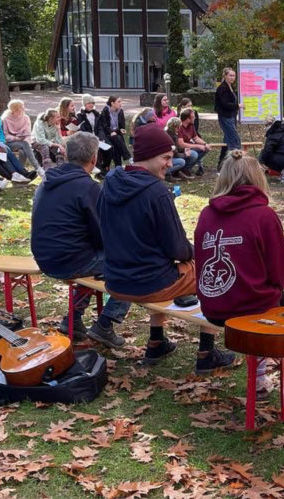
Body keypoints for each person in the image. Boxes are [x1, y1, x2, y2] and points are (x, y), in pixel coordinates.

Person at [97, 126, 237, 373]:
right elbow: (178, 249)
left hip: (116, 279)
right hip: (148, 283)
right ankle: (206, 352)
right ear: (148, 156)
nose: (170, 164)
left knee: (174, 267)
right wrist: (199, 254)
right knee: (213, 272)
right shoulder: (156, 192)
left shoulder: (110, 181)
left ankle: (156, 341)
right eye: (165, 157)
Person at [195, 150, 284, 393]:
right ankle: (260, 376)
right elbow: (281, 274)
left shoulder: (207, 214)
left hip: (214, 307)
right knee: (277, 299)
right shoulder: (263, 216)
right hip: (250, 308)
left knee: (269, 296)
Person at [31, 133, 129, 348]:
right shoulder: (88, 187)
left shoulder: (48, 180)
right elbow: (103, 234)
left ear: (66, 154)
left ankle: (72, 320)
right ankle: (106, 323)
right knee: (137, 264)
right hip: (69, 260)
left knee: (99, 263)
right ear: (94, 158)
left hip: (45, 256)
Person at [0, 99, 34, 183]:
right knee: (3, 153)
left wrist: (1, 143)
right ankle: (16, 174)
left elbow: (1, 133)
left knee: (7, 151)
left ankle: (23, 173)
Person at [2, 99, 39, 175]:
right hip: (10, 143)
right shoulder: (5, 119)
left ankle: (20, 172)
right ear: (15, 110)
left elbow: (28, 134)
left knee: (23, 151)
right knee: (24, 144)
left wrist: (26, 143)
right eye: (21, 107)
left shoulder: (26, 118)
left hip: (23, 142)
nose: (24, 109)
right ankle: (38, 168)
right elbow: (5, 135)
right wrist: (16, 138)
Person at [214, 68, 241, 170]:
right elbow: (225, 104)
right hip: (225, 116)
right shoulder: (222, 88)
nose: (232, 78)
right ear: (225, 76)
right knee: (235, 141)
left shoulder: (230, 87)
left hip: (231, 116)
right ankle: (235, 165)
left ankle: (221, 165)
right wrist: (237, 105)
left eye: (234, 76)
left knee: (227, 140)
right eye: (230, 75)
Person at [98, 95, 130, 170]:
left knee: (117, 147)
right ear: (112, 103)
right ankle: (127, 157)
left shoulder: (120, 111)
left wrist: (122, 130)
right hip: (107, 135)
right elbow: (104, 126)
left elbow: (122, 125)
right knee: (117, 138)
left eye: (120, 101)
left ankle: (118, 168)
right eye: (118, 102)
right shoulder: (105, 111)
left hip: (116, 134)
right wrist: (111, 132)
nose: (120, 103)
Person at [31, 109, 67, 176]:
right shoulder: (40, 123)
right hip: (36, 141)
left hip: (49, 142)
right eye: (57, 117)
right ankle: (47, 171)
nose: (59, 119)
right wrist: (58, 145)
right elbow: (40, 139)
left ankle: (61, 169)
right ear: (51, 118)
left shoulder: (55, 124)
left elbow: (59, 141)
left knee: (59, 150)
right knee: (45, 147)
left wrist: (58, 129)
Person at [177, 108, 209, 176]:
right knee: (194, 154)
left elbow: (196, 138)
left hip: (189, 147)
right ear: (188, 119)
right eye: (193, 117)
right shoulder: (179, 127)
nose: (195, 118)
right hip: (181, 149)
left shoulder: (191, 125)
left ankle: (188, 168)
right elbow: (181, 144)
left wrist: (205, 144)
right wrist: (198, 146)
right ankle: (183, 169)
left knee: (205, 149)